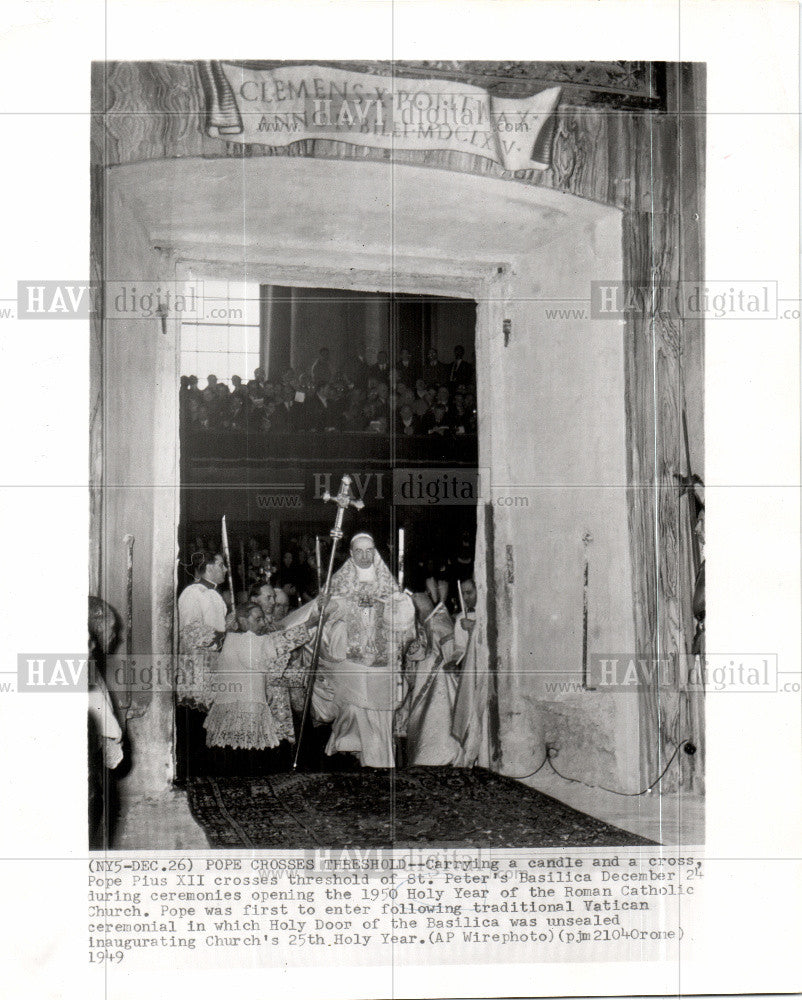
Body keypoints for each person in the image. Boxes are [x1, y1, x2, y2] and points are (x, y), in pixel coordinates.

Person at [301, 533, 415, 767]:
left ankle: (379, 759)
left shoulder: (387, 582)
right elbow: (332, 609)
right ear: (351, 554)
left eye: (369, 550)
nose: (364, 556)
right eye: (359, 551)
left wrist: (400, 605)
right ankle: (354, 749)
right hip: (351, 657)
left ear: (375, 552)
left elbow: (403, 621)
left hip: (382, 659)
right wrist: (328, 605)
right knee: (355, 706)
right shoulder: (341, 580)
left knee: (380, 709)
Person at [204, 602, 316, 755]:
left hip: (234, 704)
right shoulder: (248, 640)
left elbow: (276, 643)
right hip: (246, 705)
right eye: (258, 619)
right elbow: (273, 650)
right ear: (243, 621)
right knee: (244, 751)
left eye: (263, 619)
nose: (263, 623)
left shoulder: (233, 639)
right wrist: (309, 624)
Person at [402, 592, 461, 766]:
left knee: (438, 722)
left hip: (441, 683)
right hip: (426, 680)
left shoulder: (439, 622)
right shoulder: (426, 624)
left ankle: (442, 757)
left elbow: (451, 654)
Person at [177, 551, 228, 708]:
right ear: (209, 567)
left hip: (215, 667)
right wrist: (225, 637)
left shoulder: (214, 594)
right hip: (198, 668)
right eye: (221, 565)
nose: (225, 569)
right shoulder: (193, 593)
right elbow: (192, 632)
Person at [453, 578, 477, 666]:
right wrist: (454, 662)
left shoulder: (488, 613)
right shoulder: (461, 617)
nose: (465, 597)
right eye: (462, 594)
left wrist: (473, 625)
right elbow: (460, 649)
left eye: (469, 593)